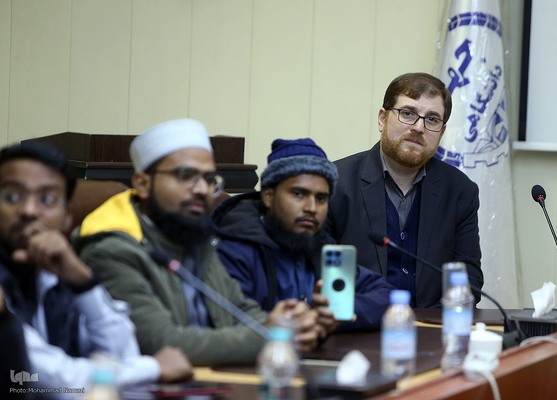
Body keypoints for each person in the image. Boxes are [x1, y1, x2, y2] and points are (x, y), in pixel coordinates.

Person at [73, 119, 320, 366]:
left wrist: (288, 323)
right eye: (186, 176)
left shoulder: (196, 238)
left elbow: (240, 310)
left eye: (209, 179)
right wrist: (272, 336)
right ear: (143, 184)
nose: (202, 189)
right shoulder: (112, 249)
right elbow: (162, 343)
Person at [0, 142, 193, 394]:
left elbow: (121, 355)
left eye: (47, 199)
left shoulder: (56, 273)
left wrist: (84, 282)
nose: (28, 211)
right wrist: (154, 367)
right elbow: (47, 380)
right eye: (12, 197)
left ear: (67, 217)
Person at [325, 72, 484, 307]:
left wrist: (432, 324)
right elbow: (319, 274)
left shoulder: (460, 191)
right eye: (408, 113)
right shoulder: (335, 182)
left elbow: (468, 279)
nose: (419, 127)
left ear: (441, 132)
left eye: (432, 119)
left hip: (432, 325)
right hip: (356, 322)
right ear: (382, 119)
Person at [212, 138, 395, 332]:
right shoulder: (235, 249)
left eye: (321, 198)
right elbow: (233, 324)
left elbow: (388, 296)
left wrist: (332, 312)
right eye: (299, 194)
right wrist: (290, 326)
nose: (312, 208)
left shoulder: (319, 248)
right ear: (268, 196)